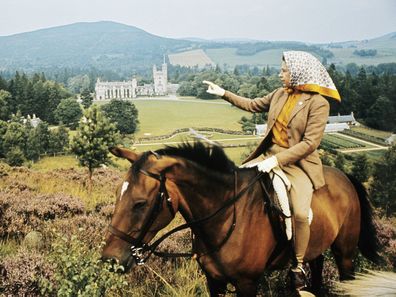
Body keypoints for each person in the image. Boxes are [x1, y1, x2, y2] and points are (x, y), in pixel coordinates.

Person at [203, 51, 341, 291]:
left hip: (297, 164)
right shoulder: (279, 94)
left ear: (299, 74)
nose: (280, 74)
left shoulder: (319, 104)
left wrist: (277, 161)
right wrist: (223, 93)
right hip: (267, 156)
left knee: (299, 213)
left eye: (285, 70)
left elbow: (309, 144)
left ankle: (298, 267)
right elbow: (252, 104)